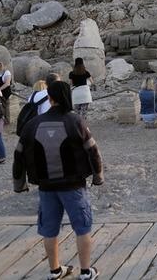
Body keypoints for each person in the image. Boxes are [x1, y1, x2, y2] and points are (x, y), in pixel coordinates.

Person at [13, 80, 104, 280]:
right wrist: (98, 176)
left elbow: (18, 154)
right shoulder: (76, 121)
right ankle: (86, 272)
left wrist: (19, 184)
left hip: (46, 187)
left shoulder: (32, 124)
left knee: (50, 229)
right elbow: (93, 151)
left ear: (50, 97)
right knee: (82, 228)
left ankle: (55, 271)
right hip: (73, 186)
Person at [0, 59, 13, 124]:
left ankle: (7, 121)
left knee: (5, 106)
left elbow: (7, 83)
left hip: (5, 92)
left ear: (0, 64)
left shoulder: (6, 72)